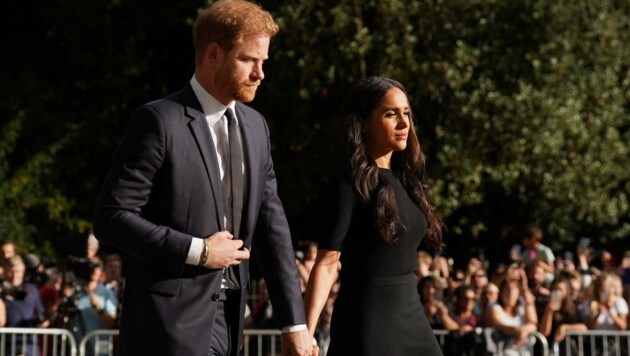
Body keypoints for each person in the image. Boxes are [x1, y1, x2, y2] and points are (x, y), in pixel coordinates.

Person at [92, 1, 311, 355]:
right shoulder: (159, 121)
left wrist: (294, 324)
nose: (260, 74)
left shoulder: (256, 128)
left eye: (263, 62)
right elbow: (111, 218)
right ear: (214, 54)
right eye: (249, 60)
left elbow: (273, 229)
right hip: (166, 326)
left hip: (230, 322)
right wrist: (200, 251)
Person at [303, 77, 444, 355]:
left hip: (412, 314)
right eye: (391, 114)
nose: (404, 123)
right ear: (363, 123)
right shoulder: (349, 183)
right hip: (369, 321)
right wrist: (305, 333)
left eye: (406, 113)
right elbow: (328, 262)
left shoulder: (407, 180)